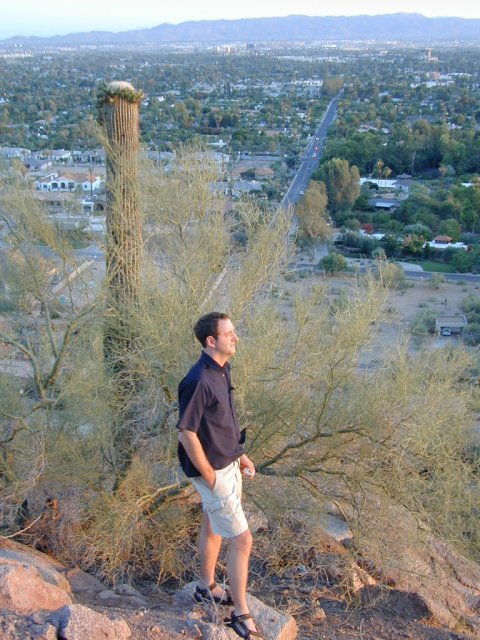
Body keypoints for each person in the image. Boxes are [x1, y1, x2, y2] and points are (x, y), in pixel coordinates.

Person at [177, 312, 262, 639]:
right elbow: (187, 432)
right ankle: (241, 613)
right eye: (229, 334)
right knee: (242, 539)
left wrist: (240, 454)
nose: (235, 337)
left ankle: (206, 586)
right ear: (211, 341)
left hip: (227, 463)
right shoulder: (199, 380)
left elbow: (222, 422)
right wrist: (210, 477)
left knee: (212, 524)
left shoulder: (221, 370)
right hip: (213, 471)